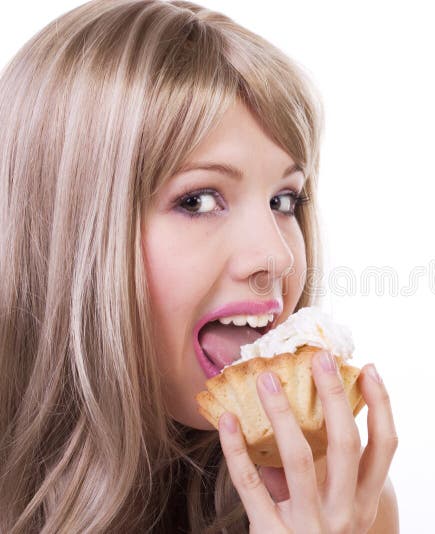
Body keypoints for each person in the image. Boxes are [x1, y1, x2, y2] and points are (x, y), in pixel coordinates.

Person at [0, 1, 399, 532]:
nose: (277, 257)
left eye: (284, 201)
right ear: (63, 236)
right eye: (199, 201)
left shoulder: (335, 504)